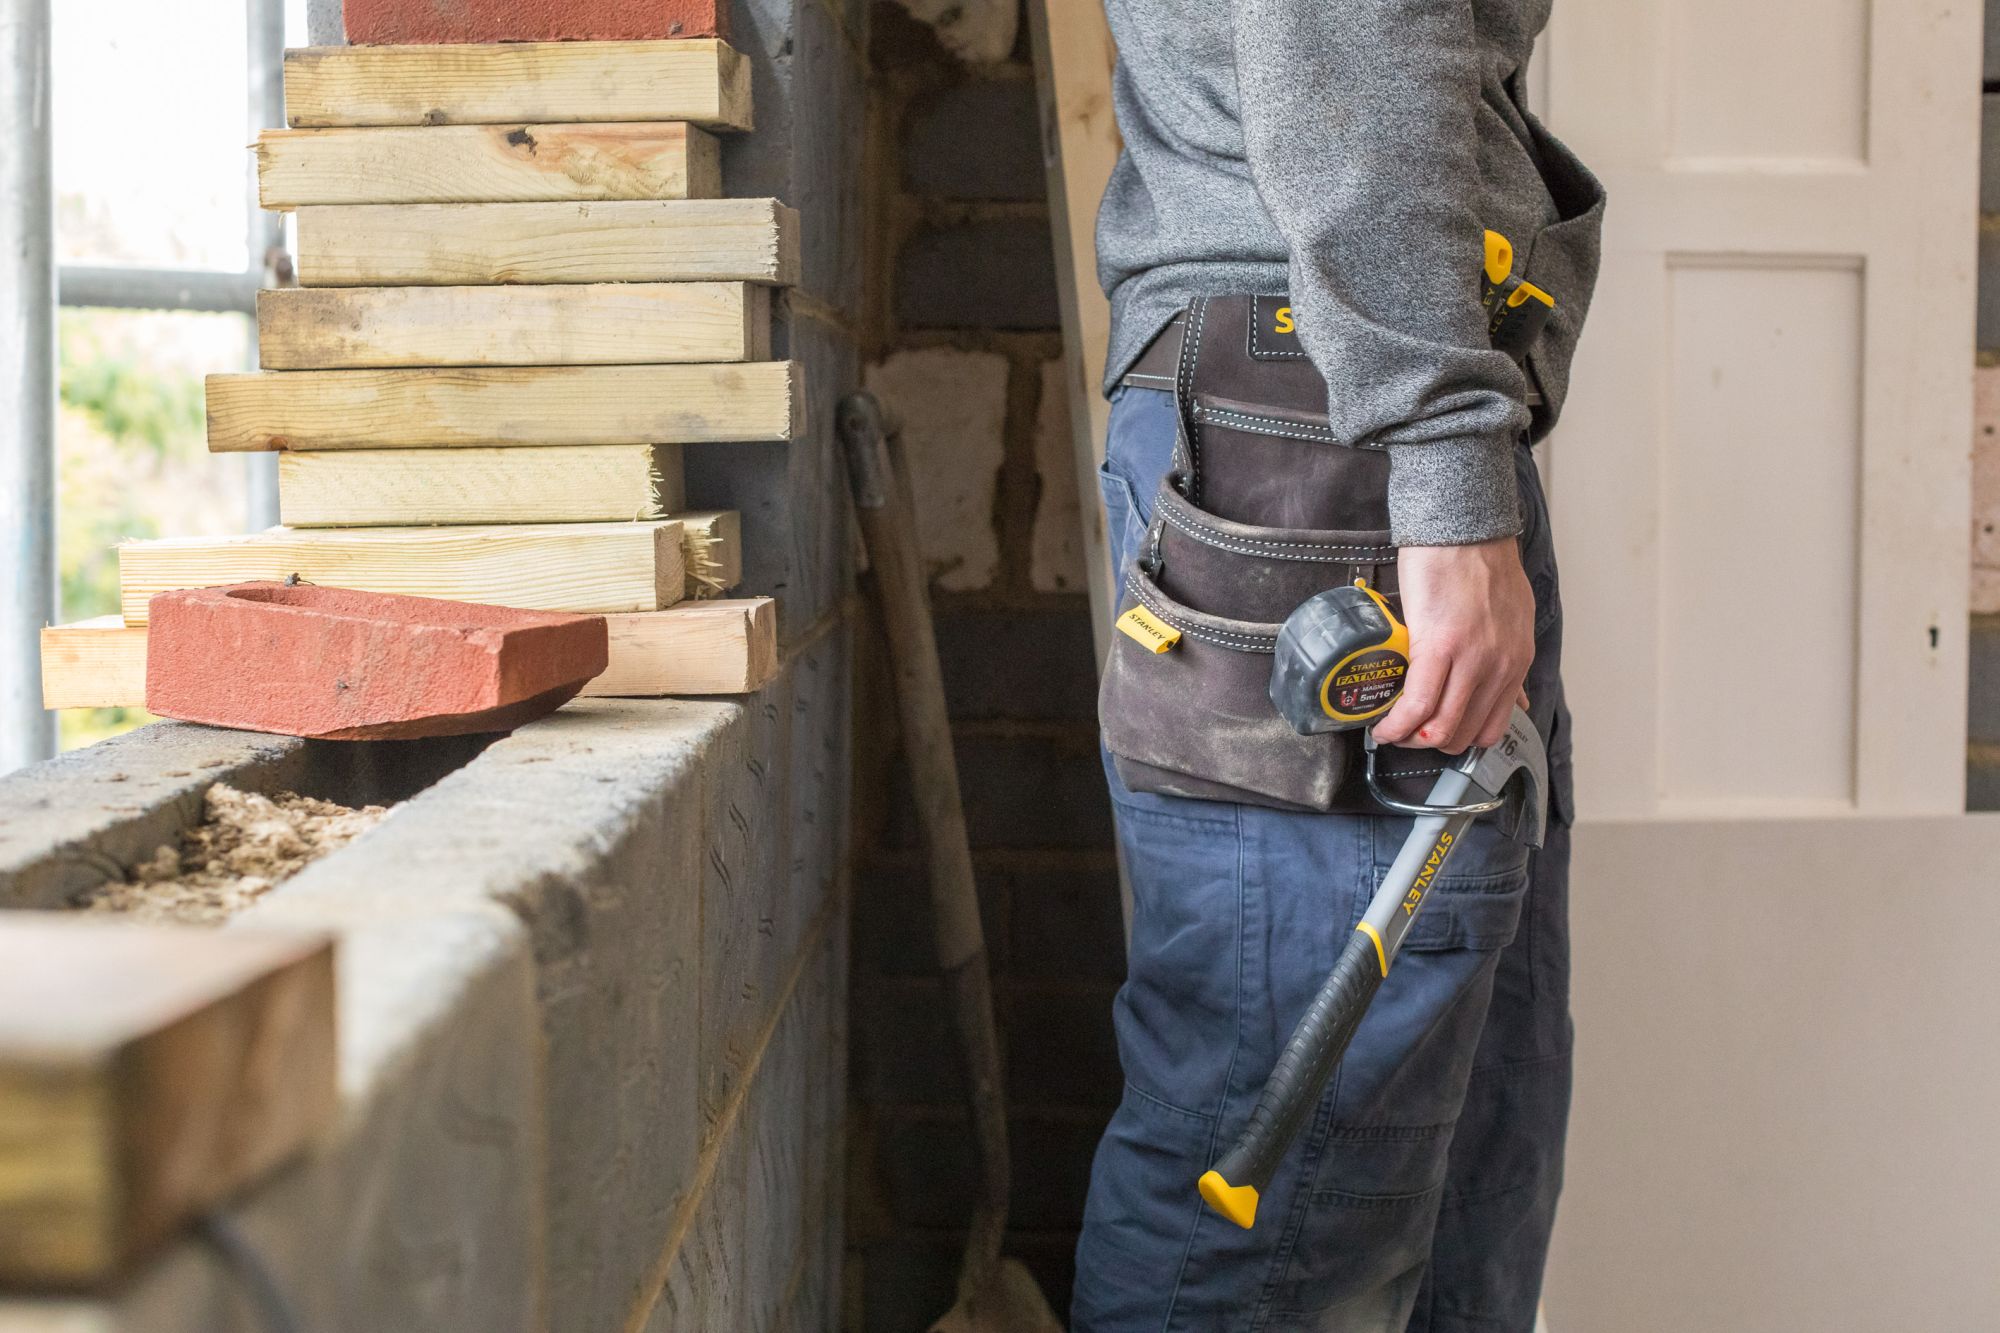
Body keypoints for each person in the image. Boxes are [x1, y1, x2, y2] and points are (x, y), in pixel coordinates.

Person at [1072, 2, 1606, 1329]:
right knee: (1291, 1165)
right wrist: (1439, 458)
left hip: (1342, 417)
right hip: (1331, 439)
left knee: (1464, 1146)